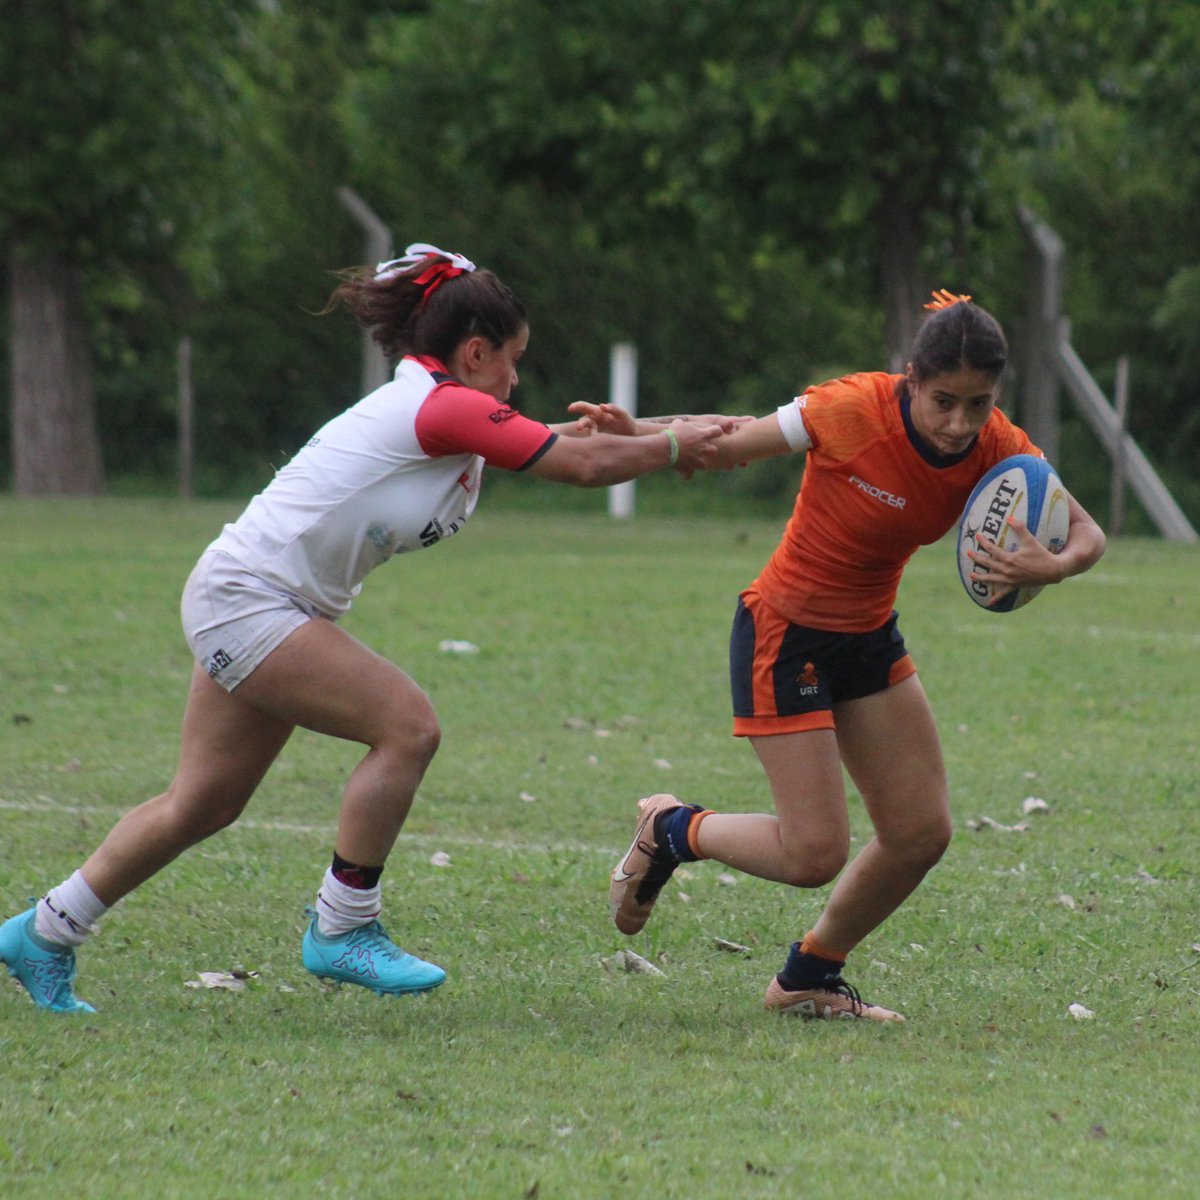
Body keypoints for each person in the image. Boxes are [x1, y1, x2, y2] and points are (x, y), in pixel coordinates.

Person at [0, 242, 727, 1013]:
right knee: (407, 726)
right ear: (474, 352)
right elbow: (576, 466)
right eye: (511, 361)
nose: (515, 380)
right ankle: (343, 928)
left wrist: (653, 430)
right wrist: (675, 445)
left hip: (255, 597)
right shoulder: (442, 403)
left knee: (202, 802)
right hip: (252, 600)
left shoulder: (444, 404)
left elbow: (566, 441)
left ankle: (41, 934)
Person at [606, 290, 1107, 1021]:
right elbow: (732, 438)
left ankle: (807, 977)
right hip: (786, 634)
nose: (959, 423)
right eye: (943, 401)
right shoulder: (846, 410)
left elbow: (1088, 532)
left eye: (978, 403)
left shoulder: (998, 446)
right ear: (910, 378)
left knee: (919, 833)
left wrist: (1054, 566)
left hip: (869, 639)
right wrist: (642, 438)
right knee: (813, 856)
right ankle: (672, 829)